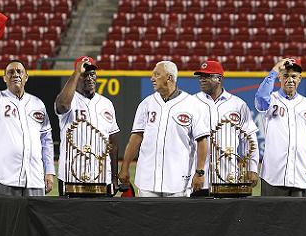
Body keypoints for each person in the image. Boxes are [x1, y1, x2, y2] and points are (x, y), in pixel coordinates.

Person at [0, 35, 56, 215]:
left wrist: (49, 171)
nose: (15, 75)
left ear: (26, 77)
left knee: (34, 232)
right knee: (6, 231)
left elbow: (46, 140)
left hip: (35, 178)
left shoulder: (38, 104)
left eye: (19, 72)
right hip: (5, 178)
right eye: (10, 72)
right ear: (4, 78)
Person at [119, 60, 209, 197]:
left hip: (178, 180)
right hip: (147, 179)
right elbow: (136, 138)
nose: (152, 78)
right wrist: (124, 167)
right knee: (146, 218)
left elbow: (202, 140)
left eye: (157, 74)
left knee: (176, 219)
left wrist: (200, 172)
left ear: (169, 78)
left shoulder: (192, 104)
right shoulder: (146, 104)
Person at [255, 57, 306, 196]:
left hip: (302, 175)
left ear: (300, 79)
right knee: (271, 217)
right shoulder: (271, 100)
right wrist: (274, 70)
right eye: (285, 75)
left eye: (294, 76)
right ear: (280, 77)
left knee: (300, 218)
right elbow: (260, 98)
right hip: (273, 175)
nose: (290, 80)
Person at [192, 60, 260, 196]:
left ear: (219, 79)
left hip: (229, 176)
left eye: (207, 76)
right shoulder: (191, 103)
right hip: (198, 177)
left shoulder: (238, 104)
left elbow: (250, 139)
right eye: (201, 77)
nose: (202, 80)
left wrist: (253, 167)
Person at [55, 56, 119, 192]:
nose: (89, 78)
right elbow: (62, 105)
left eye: (92, 74)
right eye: (85, 75)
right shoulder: (69, 100)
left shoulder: (106, 103)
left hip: (102, 178)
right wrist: (77, 72)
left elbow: (113, 143)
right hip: (70, 177)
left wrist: (114, 177)